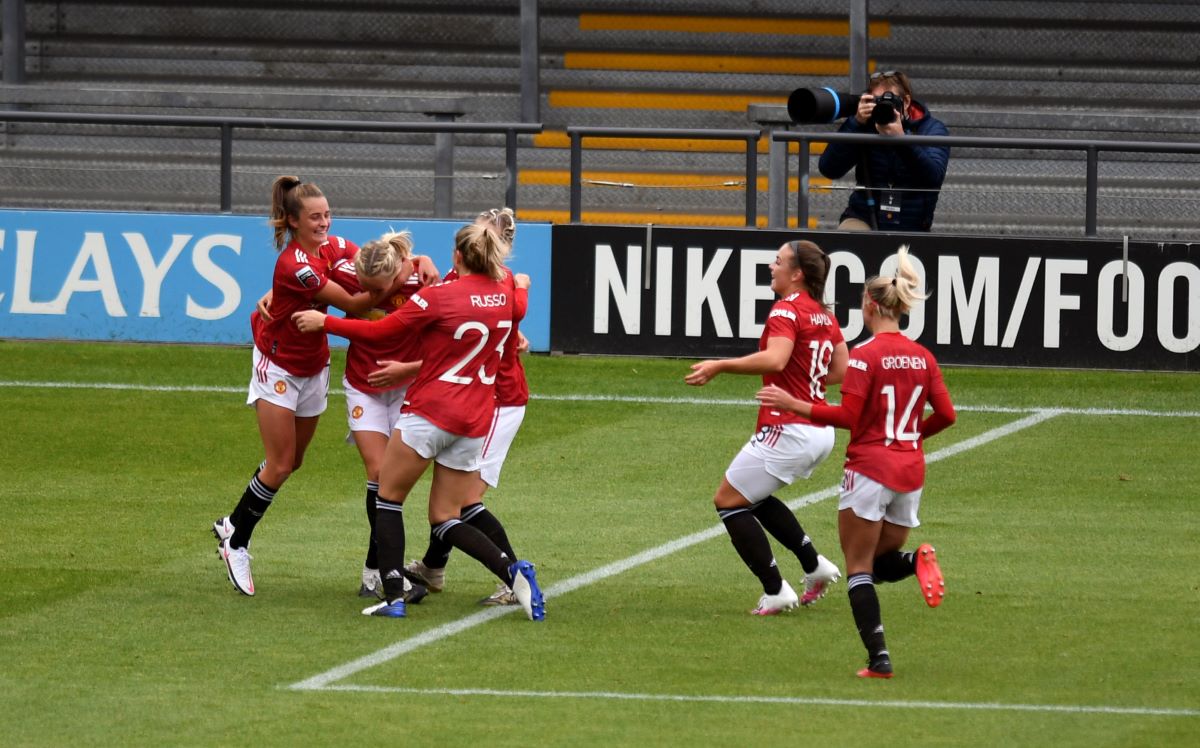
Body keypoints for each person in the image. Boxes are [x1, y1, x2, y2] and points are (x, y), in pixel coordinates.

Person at [292, 222, 544, 622]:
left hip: (430, 411)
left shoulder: (440, 297)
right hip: (475, 419)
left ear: (458, 257)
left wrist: (327, 323)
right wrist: (523, 283)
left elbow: (382, 331)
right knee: (446, 517)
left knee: (388, 497)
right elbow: (519, 303)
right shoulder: (505, 295)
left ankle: (393, 595)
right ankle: (512, 570)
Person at [757, 244, 956, 679]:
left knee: (859, 568)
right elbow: (947, 414)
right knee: (883, 559)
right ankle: (915, 560)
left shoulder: (864, 356)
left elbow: (847, 416)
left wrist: (797, 403)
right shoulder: (923, 357)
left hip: (869, 468)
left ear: (869, 305)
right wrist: (909, 436)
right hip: (910, 469)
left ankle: (879, 659)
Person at [212, 175, 400, 597]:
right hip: (277, 366)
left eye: (328, 215)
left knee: (292, 462)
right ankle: (237, 542)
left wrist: (407, 263)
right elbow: (353, 303)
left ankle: (232, 522)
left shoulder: (333, 248)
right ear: (293, 222)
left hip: (314, 365)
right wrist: (399, 289)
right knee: (278, 464)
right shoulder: (294, 264)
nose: (324, 223)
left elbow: (369, 261)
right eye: (315, 217)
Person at [685, 239, 849, 615]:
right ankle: (814, 564)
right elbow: (840, 369)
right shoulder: (824, 315)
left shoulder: (786, 311)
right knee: (752, 497)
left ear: (797, 274)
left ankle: (776, 589)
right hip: (817, 426)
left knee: (728, 501)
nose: (771, 268)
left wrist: (720, 365)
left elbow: (776, 359)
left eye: (777, 262)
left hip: (789, 427)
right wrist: (806, 382)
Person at [403, 208, 530, 607]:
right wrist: (418, 260)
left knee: (464, 503)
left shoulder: (501, 284)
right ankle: (432, 568)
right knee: (450, 497)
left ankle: (514, 576)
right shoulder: (475, 282)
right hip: (480, 400)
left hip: (498, 400)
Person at [331, 231, 436, 603]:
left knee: (393, 481)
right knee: (378, 474)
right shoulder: (348, 274)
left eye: (376, 290)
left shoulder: (420, 283)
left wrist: (422, 261)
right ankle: (379, 572)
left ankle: (378, 569)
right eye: (364, 288)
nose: (368, 295)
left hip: (406, 386)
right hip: (363, 386)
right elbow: (305, 281)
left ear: (395, 279)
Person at [818, 70, 950, 232]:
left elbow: (933, 177)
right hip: (864, 215)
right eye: (877, 101)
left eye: (888, 101)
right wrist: (855, 124)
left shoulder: (931, 129)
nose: (882, 107)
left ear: (906, 102)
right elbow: (829, 169)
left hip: (911, 225)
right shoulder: (865, 125)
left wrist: (901, 139)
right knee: (848, 238)